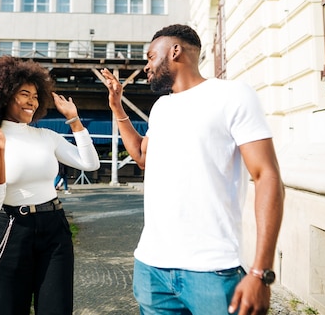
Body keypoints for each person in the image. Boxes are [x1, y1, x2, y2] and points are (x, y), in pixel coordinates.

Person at [101, 24, 284, 315]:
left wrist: (261, 272)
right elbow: (142, 157)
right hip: (152, 269)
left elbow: (267, 176)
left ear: (175, 51)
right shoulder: (162, 107)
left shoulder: (233, 94)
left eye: (150, 56)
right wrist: (117, 109)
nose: (146, 66)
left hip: (212, 270)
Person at [0, 56, 100, 315]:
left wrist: (74, 120)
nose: (32, 101)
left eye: (36, 95)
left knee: (57, 309)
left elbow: (90, 163)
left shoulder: (46, 137)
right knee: (10, 309)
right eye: (24, 94)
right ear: (4, 95)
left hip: (54, 229)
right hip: (12, 229)